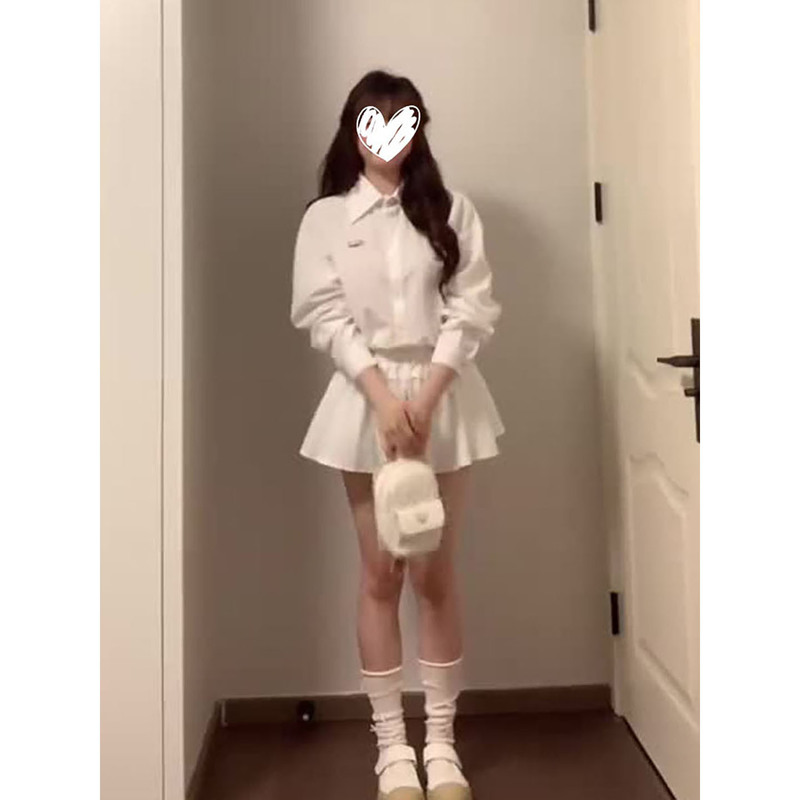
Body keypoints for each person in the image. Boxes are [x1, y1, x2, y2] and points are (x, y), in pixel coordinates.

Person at [290, 69, 505, 800]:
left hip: (446, 398)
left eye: (401, 121)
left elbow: (472, 308)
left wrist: (428, 398)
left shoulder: (452, 211)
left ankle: (441, 744)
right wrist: (383, 400)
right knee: (381, 575)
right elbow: (323, 314)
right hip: (365, 399)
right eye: (372, 122)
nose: (386, 137)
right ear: (353, 132)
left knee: (434, 574)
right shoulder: (327, 219)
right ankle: (392, 749)